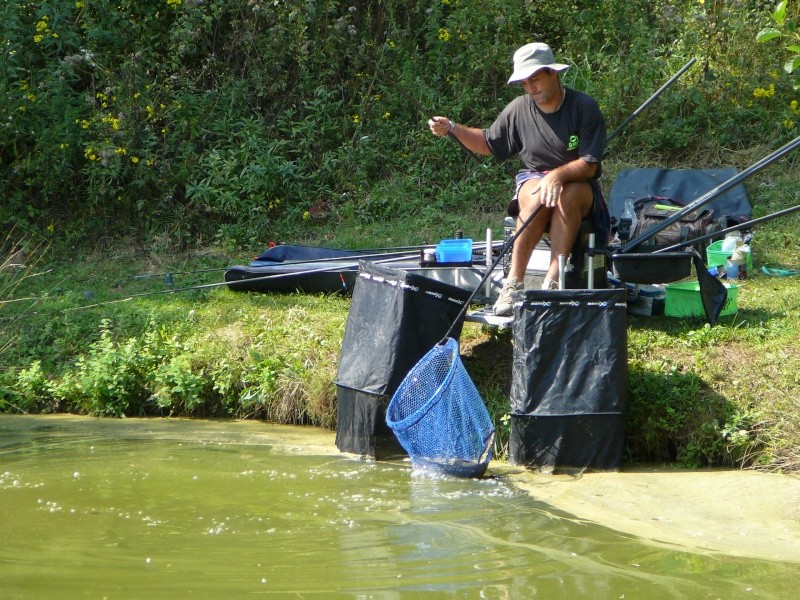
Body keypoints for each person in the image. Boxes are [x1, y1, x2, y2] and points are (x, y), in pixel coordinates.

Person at [428, 42, 609, 316]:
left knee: (566, 195)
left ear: (552, 73)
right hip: (533, 179)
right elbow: (488, 142)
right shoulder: (518, 109)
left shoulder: (583, 106)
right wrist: (452, 128)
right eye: (524, 83)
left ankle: (553, 281)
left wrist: (559, 175)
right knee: (537, 193)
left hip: (578, 184)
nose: (530, 88)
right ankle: (513, 283)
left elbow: (590, 163)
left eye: (535, 79)